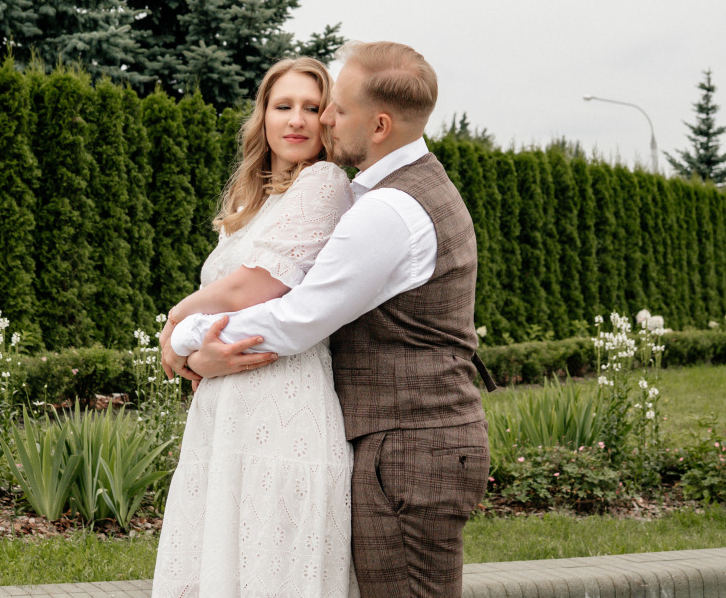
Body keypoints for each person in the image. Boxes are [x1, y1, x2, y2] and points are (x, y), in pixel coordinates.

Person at [168, 41, 494, 598]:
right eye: (286, 106)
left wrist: (184, 333)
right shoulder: (390, 193)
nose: (322, 120)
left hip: (406, 442)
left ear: (381, 124)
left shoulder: (386, 208)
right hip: (397, 439)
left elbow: (298, 318)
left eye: (331, 108)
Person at [151, 56, 356, 598]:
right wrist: (195, 358)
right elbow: (227, 313)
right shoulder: (252, 199)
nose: (296, 120)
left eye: (312, 108)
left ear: (328, 119)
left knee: (272, 570)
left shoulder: (326, 183)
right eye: (282, 106)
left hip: (283, 406)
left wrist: (176, 319)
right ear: (262, 115)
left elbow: (254, 288)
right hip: (224, 412)